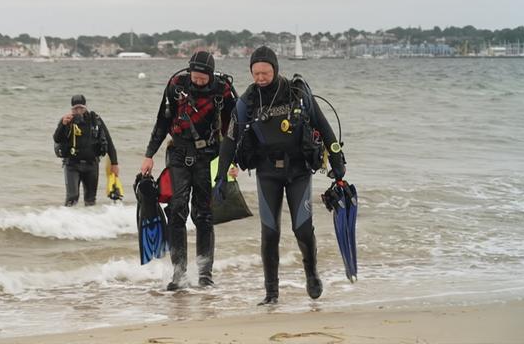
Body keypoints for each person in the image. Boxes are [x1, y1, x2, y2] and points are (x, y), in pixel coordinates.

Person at [213, 46, 347, 305]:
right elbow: (229, 140)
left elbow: (324, 127)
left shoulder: (298, 93)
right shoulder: (247, 101)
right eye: (255, 73)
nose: (260, 78)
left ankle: (312, 276)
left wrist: (338, 160)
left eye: (265, 72)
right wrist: (220, 175)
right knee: (270, 232)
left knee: (303, 229)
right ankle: (271, 294)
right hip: (266, 173)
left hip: (298, 171)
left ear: (275, 69)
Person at [140, 51, 236, 290]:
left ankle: (205, 275)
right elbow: (162, 122)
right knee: (176, 210)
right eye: (195, 76)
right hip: (179, 154)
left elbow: (234, 127)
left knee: (204, 215)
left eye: (203, 78)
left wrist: (233, 161)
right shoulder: (176, 85)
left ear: (211, 75)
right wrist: (149, 155)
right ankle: (179, 274)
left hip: (209, 155)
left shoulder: (222, 91)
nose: (198, 80)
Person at [53, 94, 118, 207]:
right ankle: (66, 221)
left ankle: (89, 223)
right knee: (72, 197)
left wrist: (114, 163)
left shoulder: (95, 120)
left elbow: (108, 140)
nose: (78, 111)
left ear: (86, 107)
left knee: (90, 200)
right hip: (72, 165)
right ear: (71, 109)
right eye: (75, 109)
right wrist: (63, 125)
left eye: (81, 108)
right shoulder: (67, 120)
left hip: (91, 165)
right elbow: (57, 138)